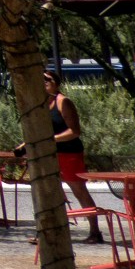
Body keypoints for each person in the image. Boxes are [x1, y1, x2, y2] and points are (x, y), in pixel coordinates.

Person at [48, 69, 102, 238]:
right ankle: (47, 232)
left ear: (56, 83)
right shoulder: (42, 104)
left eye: (47, 79)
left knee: (79, 191)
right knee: (48, 191)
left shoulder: (63, 102)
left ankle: (95, 231)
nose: (43, 82)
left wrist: (51, 139)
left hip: (69, 153)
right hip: (51, 155)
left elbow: (75, 131)